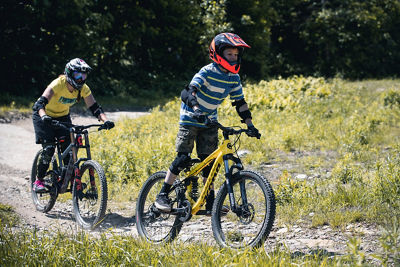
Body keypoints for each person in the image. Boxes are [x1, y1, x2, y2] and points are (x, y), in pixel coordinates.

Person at [155, 33, 260, 214]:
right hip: (191, 116)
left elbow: (240, 103)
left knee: (209, 162)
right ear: (218, 53)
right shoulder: (207, 72)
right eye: (229, 54)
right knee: (183, 158)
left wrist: (250, 125)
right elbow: (188, 92)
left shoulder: (234, 78)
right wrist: (196, 109)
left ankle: (211, 203)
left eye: (236, 55)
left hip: (210, 119)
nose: (234, 58)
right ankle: (163, 194)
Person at [32, 58, 115, 192]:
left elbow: (95, 107)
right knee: (48, 149)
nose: (81, 79)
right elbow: (39, 104)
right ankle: (39, 181)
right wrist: (44, 116)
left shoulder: (83, 89)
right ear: (69, 73)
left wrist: (105, 120)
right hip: (43, 116)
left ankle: (68, 179)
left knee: (70, 151)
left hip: (62, 117)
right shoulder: (58, 84)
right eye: (78, 75)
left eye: (84, 75)